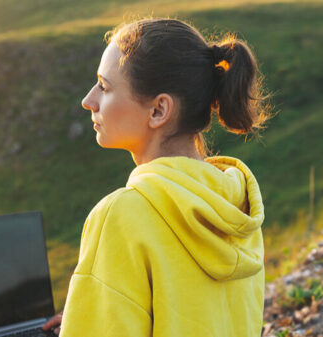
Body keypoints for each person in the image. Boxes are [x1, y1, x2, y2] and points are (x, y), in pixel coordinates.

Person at [42, 17, 274, 336]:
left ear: (158, 111)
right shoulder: (238, 205)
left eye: (105, 87)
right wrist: (94, 306)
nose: (89, 100)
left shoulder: (121, 215)